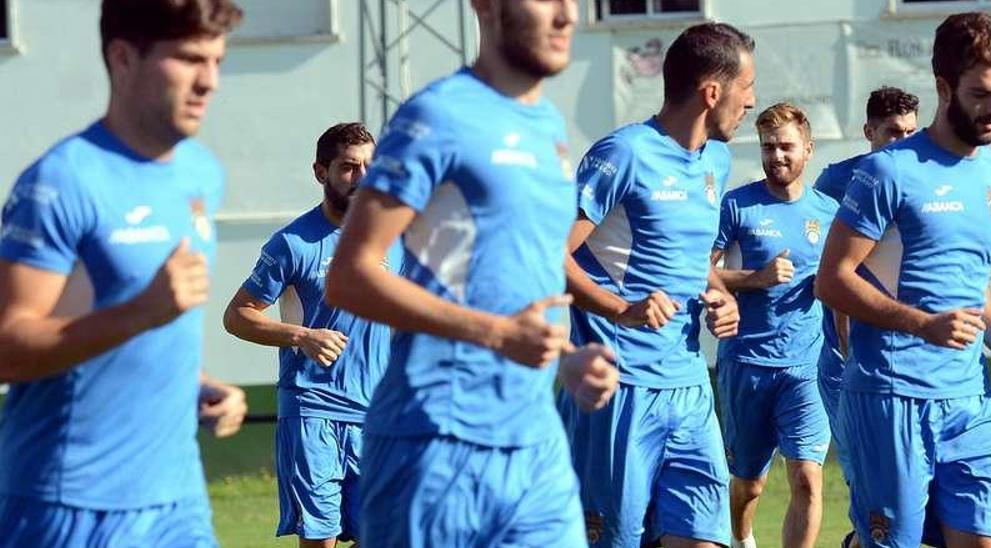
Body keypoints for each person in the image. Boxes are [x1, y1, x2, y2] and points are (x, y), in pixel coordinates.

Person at [324, 1, 619, 546]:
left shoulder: (549, 127)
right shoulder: (437, 116)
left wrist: (565, 359)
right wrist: (499, 334)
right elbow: (349, 276)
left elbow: (511, 273)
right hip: (434, 443)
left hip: (535, 444)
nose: (568, 15)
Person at [0, 1, 247, 545]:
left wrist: (197, 386)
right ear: (123, 57)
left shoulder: (201, 173)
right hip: (70, 506)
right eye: (188, 59)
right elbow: (8, 347)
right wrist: (139, 313)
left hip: (177, 500)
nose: (210, 82)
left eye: (217, 61)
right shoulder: (61, 182)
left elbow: (151, 327)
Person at [814, 12, 991, 547]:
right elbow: (832, 280)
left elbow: (970, 282)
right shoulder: (887, 172)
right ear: (944, 87)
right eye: (981, 93)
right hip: (889, 397)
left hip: (971, 400)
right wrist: (921, 324)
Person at [559, 21, 754, 548]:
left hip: (690, 388)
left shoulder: (716, 159)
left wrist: (721, 294)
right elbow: (550, 255)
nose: (752, 101)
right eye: (746, 87)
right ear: (712, 93)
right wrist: (620, 309)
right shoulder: (622, 154)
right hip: (620, 388)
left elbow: (690, 259)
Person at [223, 122, 397, 547]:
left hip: (379, 415)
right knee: (321, 538)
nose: (361, 178)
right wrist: (301, 336)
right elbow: (238, 315)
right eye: (349, 168)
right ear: (321, 172)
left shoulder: (396, 238)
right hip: (313, 411)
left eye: (369, 167)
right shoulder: (293, 243)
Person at [710, 102, 838, 548]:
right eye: (768, 147)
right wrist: (754, 279)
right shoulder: (737, 207)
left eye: (786, 146)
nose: (777, 156)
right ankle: (743, 538)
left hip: (807, 366)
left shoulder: (828, 213)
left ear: (808, 148)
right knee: (749, 484)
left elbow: (843, 281)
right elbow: (693, 271)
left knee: (807, 478)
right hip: (746, 363)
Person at [812, 85, 919, 548]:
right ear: (868, 132)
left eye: (912, 132)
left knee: (908, 482)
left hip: (912, 357)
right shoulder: (836, 182)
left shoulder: (925, 177)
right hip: (846, 359)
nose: (903, 142)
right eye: (893, 133)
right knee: (863, 474)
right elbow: (826, 267)